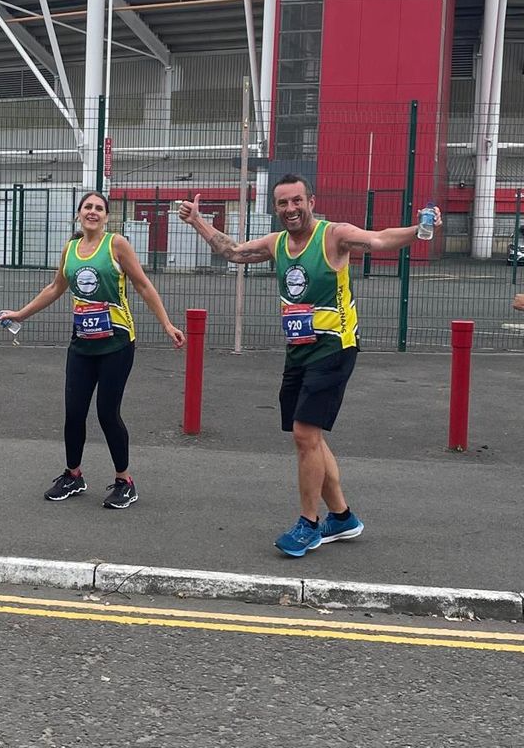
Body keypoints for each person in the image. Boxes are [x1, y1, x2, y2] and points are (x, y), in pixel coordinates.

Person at [177, 175, 441, 558]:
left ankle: (309, 524)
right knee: (310, 437)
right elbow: (233, 251)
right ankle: (343, 517)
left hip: (335, 347)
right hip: (299, 349)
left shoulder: (335, 235)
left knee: (304, 434)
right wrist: (197, 220)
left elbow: (380, 239)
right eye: (282, 203)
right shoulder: (277, 243)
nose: (290, 209)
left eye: (296, 201)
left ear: (311, 201)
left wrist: (420, 229)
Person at [0, 190, 185, 510]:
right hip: (82, 344)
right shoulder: (70, 249)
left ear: (107, 217)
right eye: (88, 207)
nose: (93, 212)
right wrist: (20, 313)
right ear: (79, 214)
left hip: (117, 343)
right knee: (74, 411)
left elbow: (142, 284)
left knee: (107, 413)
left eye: (99, 208)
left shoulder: (117, 245)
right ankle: (73, 475)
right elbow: (56, 287)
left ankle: (124, 481)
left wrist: (166, 324)